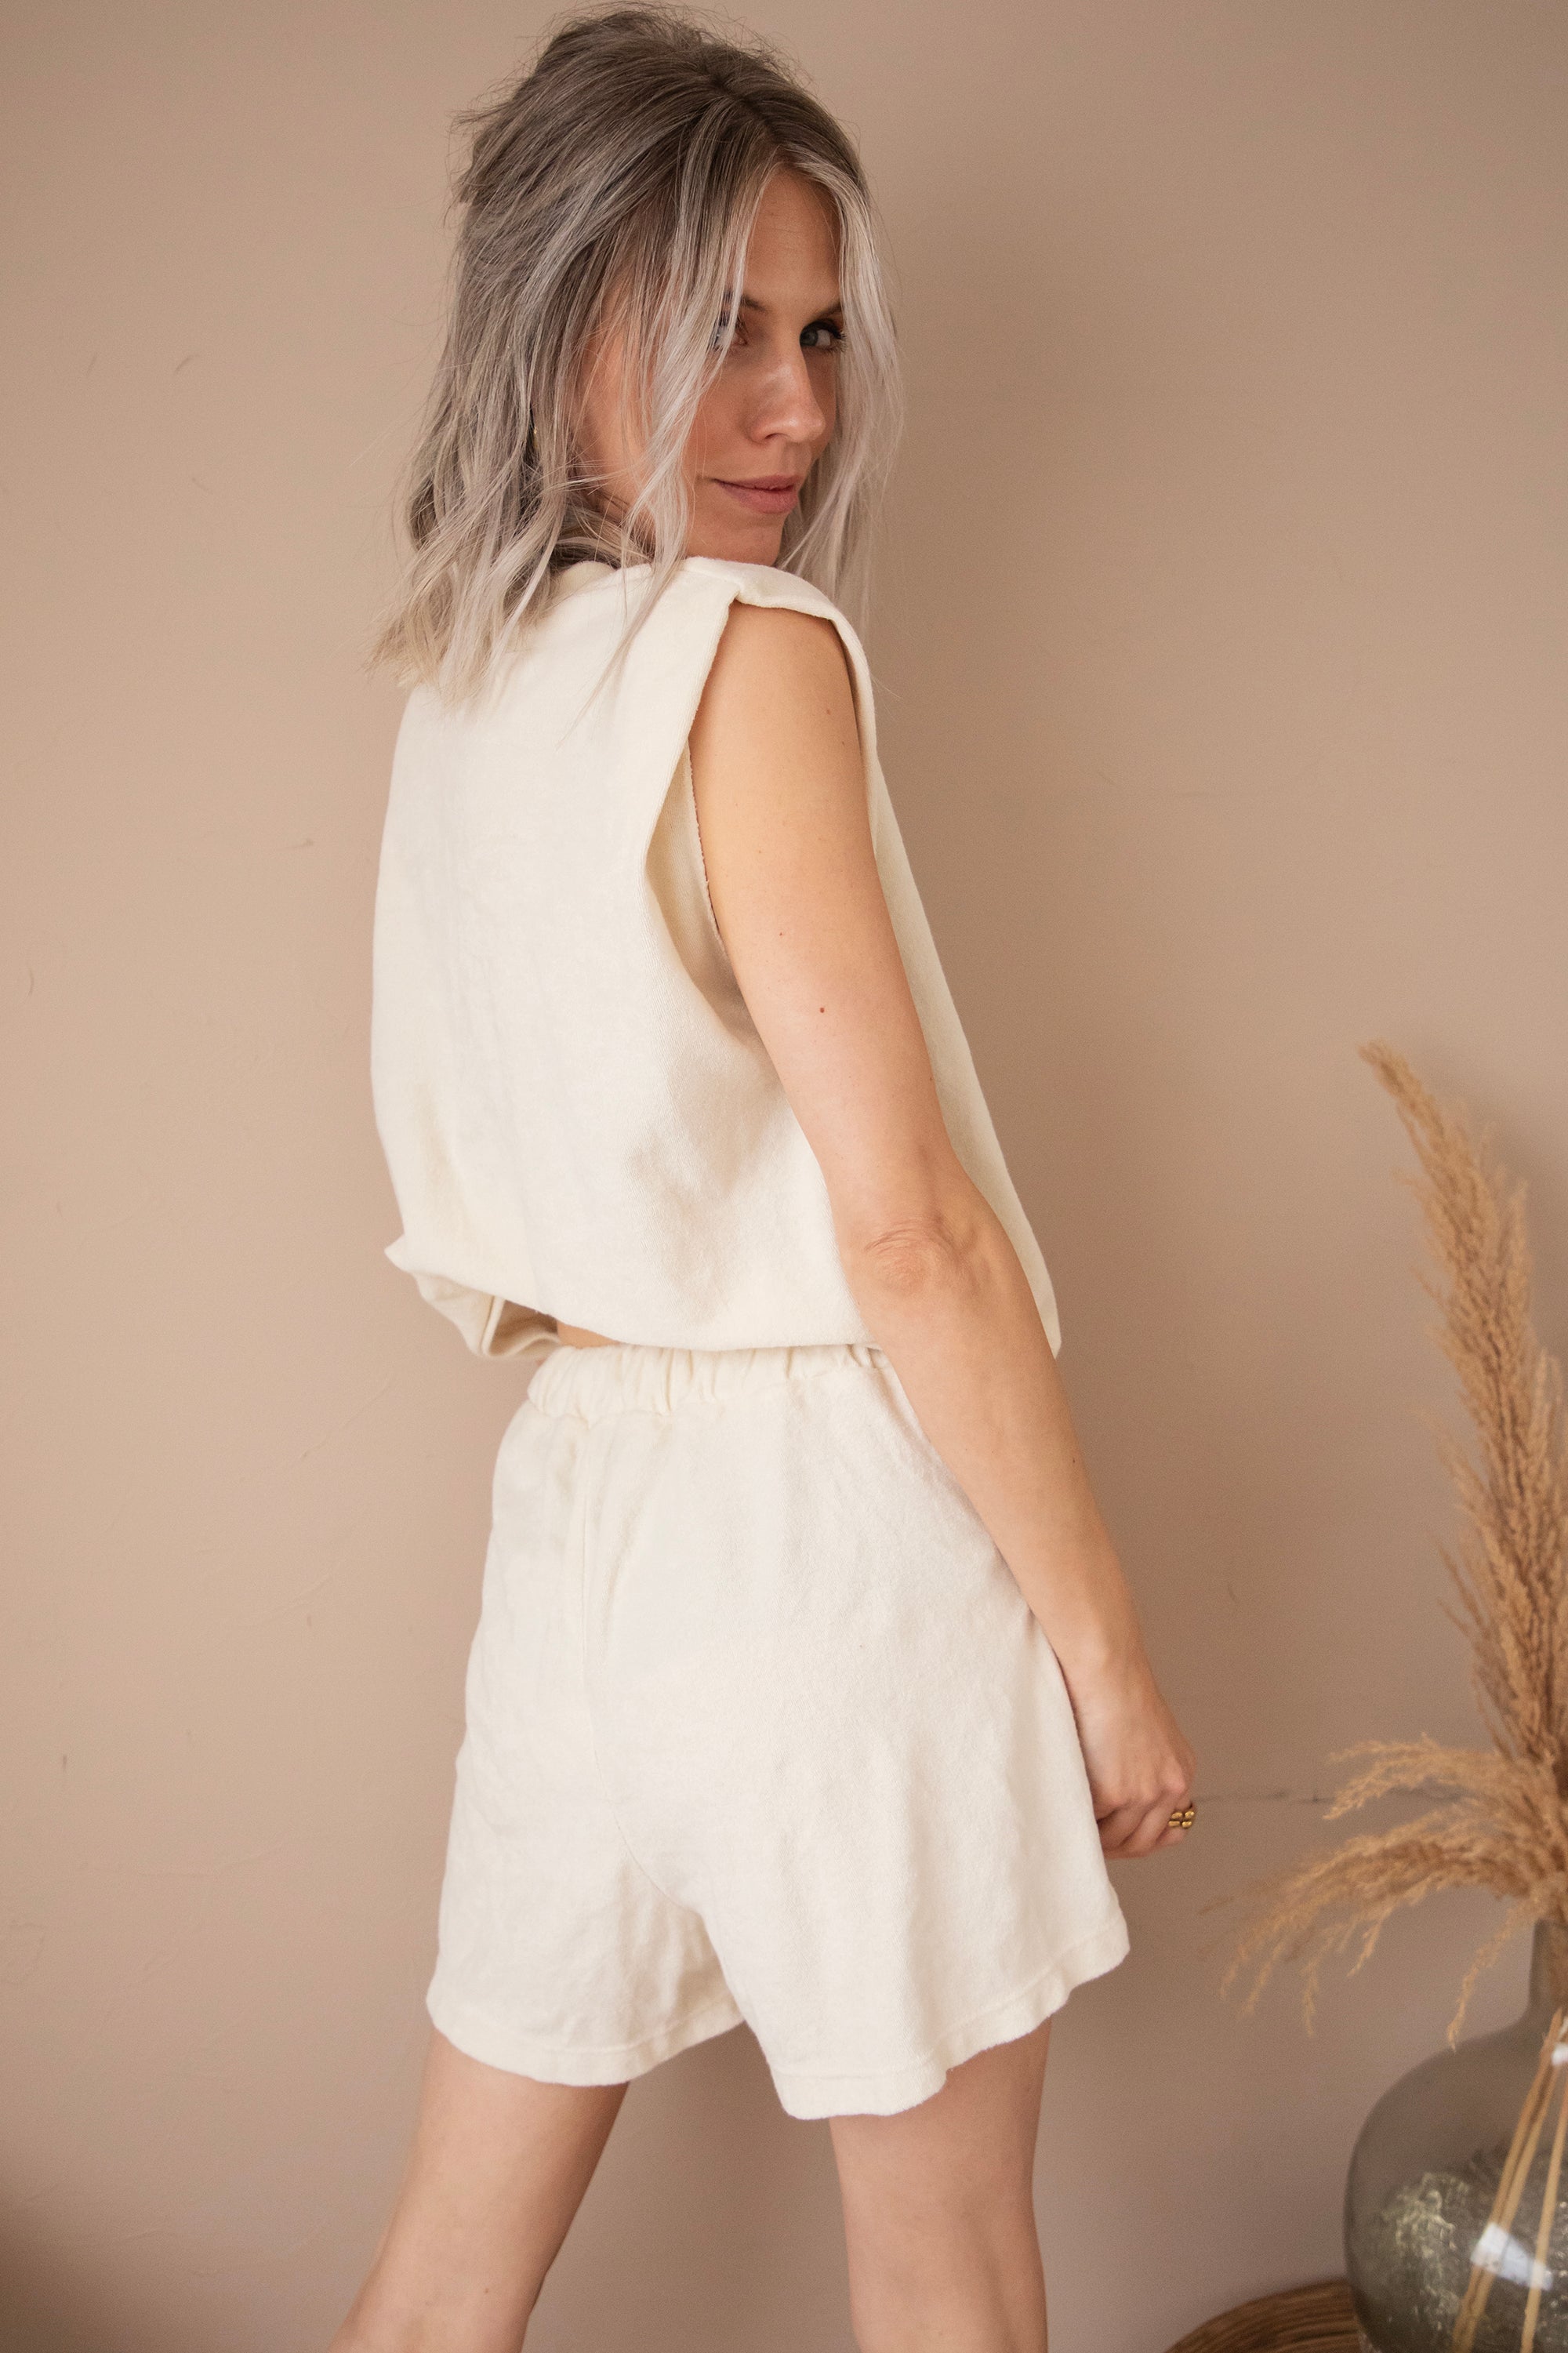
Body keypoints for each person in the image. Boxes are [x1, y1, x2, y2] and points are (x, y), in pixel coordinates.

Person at [338, 11, 1196, 2350]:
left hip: (580, 1530)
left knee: (439, 2277)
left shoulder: (459, 690)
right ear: (555, 322)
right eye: (724, 325)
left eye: (817, 336)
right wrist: (1104, 1649)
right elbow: (902, 1226)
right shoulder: (751, 649)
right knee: (948, 2276)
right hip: (832, 1535)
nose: (797, 408)